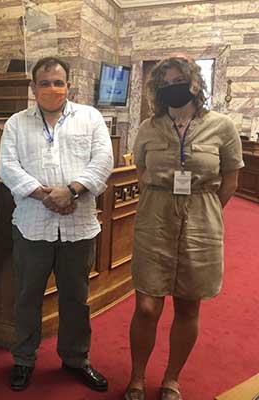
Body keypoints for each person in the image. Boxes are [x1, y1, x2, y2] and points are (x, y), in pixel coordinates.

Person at [125, 56, 244, 400]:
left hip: (202, 219)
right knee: (146, 306)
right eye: (164, 83)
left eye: (178, 81)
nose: (172, 88)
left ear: (194, 82)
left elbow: (230, 181)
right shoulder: (149, 127)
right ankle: (136, 377)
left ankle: (171, 379)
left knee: (188, 306)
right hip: (155, 218)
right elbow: (141, 171)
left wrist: (205, 211)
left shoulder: (222, 126)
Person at [0, 56, 113, 393]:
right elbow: (8, 167)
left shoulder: (90, 117)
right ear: (33, 87)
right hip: (32, 226)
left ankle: (76, 359)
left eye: (58, 82)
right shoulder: (16, 123)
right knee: (27, 297)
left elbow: (102, 160)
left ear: (68, 85)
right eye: (45, 83)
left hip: (78, 227)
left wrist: (71, 191)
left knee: (76, 298)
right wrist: (44, 195)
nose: (52, 88)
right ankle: (23, 359)